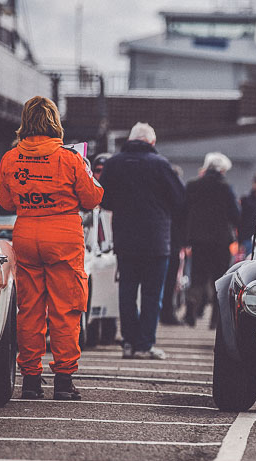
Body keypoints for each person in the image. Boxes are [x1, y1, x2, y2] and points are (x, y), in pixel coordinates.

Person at [0, 96, 104, 400]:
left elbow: (6, 202)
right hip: (63, 237)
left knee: (29, 310)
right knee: (65, 309)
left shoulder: (10, 158)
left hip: (26, 234)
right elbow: (92, 198)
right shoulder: (70, 158)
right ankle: (64, 381)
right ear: (54, 122)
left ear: (26, 122)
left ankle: (31, 381)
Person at [99, 122, 185, 359]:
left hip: (125, 239)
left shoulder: (114, 163)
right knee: (151, 295)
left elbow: (103, 199)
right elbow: (179, 199)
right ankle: (144, 345)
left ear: (130, 139)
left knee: (127, 292)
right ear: (152, 142)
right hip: (156, 241)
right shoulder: (161, 165)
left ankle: (128, 341)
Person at [184, 152, 239, 328]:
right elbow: (235, 214)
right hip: (220, 241)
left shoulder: (193, 185)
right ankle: (215, 320)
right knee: (219, 280)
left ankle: (191, 304)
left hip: (198, 241)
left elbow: (183, 211)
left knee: (197, 278)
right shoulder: (225, 187)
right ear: (222, 170)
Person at [160, 164, 187, 326]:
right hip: (173, 242)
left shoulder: (159, 195)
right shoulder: (179, 196)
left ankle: (161, 312)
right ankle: (167, 312)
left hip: (161, 241)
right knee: (170, 280)